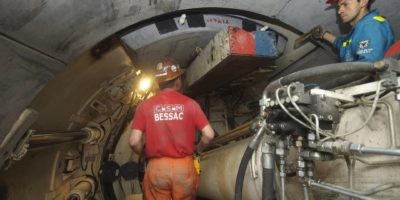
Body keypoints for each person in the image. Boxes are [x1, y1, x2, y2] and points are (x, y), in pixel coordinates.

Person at [129, 58, 215, 200]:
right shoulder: (190, 104)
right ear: (178, 80)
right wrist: (198, 149)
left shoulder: (145, 106)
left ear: (158, 83)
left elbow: (133, 141)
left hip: (157, 168)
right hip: (184, 167)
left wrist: (143, 154)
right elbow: (209, 134)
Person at [313, 0, 394, 62]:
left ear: (363, 2)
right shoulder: (358, 31)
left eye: (345, 4)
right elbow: (344, 44)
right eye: (339, 6)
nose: (339, 11)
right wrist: (323, 34)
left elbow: (370, 66)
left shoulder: (371, 25)